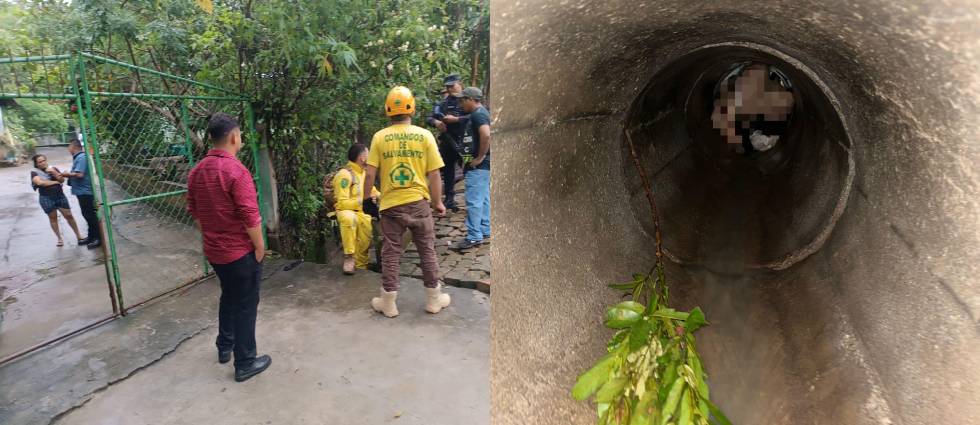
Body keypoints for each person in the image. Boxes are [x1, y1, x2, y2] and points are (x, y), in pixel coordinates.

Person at [186, 113, 271, 382]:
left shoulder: (197, 171)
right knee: (246, 304)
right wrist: (260, 247)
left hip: (215, 252)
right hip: (239, 253)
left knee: (229, 296)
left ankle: (225, 346)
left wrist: (212, 236)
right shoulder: (236, 170)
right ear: (234, 137)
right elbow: (250, 215)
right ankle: (245, 362)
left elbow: (195, 212)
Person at [362, 86, 450, 318]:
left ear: (387, 110)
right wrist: (437, 202)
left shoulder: (379, 137)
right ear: (412, 107)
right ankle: (433, 300)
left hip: (390, 205)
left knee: (391, 252)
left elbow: (370, 174)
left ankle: (388, 302)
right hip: (419, 203)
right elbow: (434, 175)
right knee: (427, 250)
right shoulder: (425, 135)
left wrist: (365, 198)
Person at [451, 87, 491, 251]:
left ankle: (474, 236)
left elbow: (486, 134)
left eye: (463, 100)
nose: (461, 103)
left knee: (474, 200)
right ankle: (485, 229)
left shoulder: (478, 114)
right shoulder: (479, 113)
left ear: (471, 100)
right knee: (483, 198)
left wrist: (480, 156)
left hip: (479, 165)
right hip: (483, 166)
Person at [332, 143, 380, 274]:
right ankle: (349, 257)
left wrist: (380, 198)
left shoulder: (364, 174)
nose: (370, 157)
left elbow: (374, 192)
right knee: (349, 218)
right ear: (362, 158)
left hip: (362, 214)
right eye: (368, 154)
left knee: (364, 242)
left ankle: (361, 268)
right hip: (346, 212)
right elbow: (341, 203)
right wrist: (363, 201)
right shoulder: (344, 175)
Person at [426, 74, 468, 212]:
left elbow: (479, 115)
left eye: (452, 86)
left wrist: (457, 119)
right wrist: (436, 122)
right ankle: (449, 199)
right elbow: (430, 118)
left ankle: (474, 199)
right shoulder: (442, 104)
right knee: (448, 171)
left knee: (470, 170)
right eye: (448, 87)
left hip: (466, 142)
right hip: (448, 142)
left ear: (460, 83)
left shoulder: (469, 99)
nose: (450, 89)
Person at [29, 154, 83, 247]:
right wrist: (55, 182)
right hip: (46, 197)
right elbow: (40, 182)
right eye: (40, 162)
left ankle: (78, 235)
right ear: (36, 164)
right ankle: (59, 238)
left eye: (43, 160)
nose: (42, 163)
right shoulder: (34, 172)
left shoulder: (53, 168)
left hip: (59, 196)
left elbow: (61, 180)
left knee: (69, 215)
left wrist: (54, 172)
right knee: (53, 218)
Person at [60, 139, 102, 249]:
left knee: (90, 215)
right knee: (87, 215)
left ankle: (98, 238)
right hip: (82, 191)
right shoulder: (79, 157)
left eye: (69, 146)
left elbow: (80, 174)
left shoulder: (81, 157)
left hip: (85, 191)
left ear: (74, 147)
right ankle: (91, 236)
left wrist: (66, 174)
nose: (68, 149)